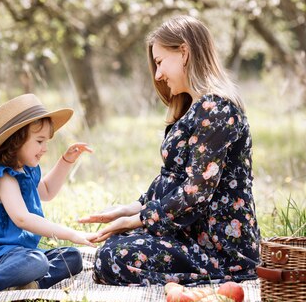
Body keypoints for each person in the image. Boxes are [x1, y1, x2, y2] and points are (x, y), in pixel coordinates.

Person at [81, 15, 261, 286]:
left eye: (160, 62)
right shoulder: (196, 108)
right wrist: (128, 210)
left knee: (112, 258)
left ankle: (220, 276)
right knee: (115, 245)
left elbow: (195, 192)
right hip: (189, 236)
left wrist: (137, 220)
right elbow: (173, 180)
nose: (158, 75)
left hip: (219, 251)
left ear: (184, 52)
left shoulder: (217, 110)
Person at [0, 94, 96, 298]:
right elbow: (22, 218)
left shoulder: (27, 171)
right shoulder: (4, 178)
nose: (45, 148)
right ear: (16, 141)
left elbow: (46, 191)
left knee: (72, 257)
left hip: (22, 254)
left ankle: (30, 286)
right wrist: (70, 233)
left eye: (46, 141)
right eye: (39, 141)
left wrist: (66, 161)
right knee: (37, 261)